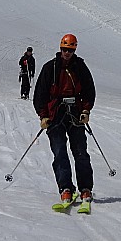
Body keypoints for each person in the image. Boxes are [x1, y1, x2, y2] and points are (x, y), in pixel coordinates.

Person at [33, 33, 96, 207]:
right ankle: (65, 188)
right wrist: (43, 115)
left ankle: (85, 188)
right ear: (60, 48)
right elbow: (40, 94)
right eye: (64, 49)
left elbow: (89, 91)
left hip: (75, 114)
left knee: (80, 152)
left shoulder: (80, 67)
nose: (67, 52)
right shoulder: (50, 68)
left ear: (74, 49)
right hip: (55, 115)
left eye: (70, 49)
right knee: (60, 152)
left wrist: (85, 110)